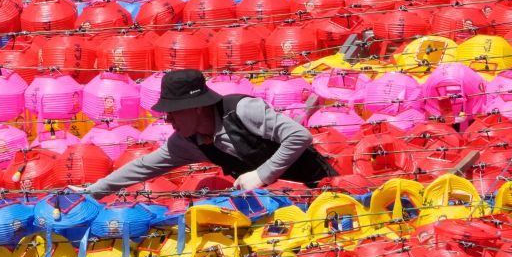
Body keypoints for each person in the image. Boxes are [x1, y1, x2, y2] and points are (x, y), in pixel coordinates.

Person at [81, 69, 336, 198]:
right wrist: (91, 192)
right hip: (278, 202)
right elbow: (143, 167)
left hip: (320, 188)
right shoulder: (187, 141)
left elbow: (299, 136)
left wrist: (261, 174)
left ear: (198, 108)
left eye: (174, 112)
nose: (168, 119)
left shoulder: (243, 110)